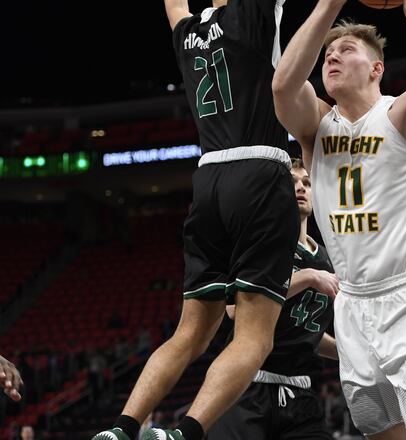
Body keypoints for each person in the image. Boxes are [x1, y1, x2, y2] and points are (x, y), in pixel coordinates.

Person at [92, 0, 298, 439]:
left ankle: (120, 430)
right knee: (254, 336)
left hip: (207, 180)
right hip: (259, 169)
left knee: (190, 332)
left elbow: (173, 4)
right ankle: (185, 433)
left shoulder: (186, 31)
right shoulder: (254, 12)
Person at [272, 0, 406, 437]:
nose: (333, 56)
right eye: (329, 53)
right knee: (383, 433)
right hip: (353, 303)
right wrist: (328, 6)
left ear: (376, 68)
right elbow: (283, 88)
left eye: (346, 49)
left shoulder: (404, 109)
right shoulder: (316, 126)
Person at [208, 158, 339, 440]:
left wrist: (347, 351)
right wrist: (307, 277)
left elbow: (307, 331)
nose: (300, 188)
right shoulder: (259, 242)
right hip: (245, 386)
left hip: (299, 391)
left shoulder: (328, 258)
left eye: (306, 182)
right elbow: (234, 308)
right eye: (291, 182)